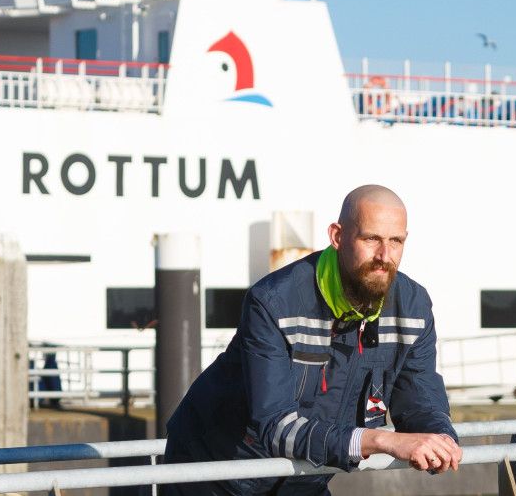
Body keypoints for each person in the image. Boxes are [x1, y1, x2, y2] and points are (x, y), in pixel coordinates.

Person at [163, 185, 461, 495]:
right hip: (214, 473)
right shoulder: (274, 302)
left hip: (303, 475)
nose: (384, 256)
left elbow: (418, 398)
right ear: (337, 236)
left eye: (395, 241)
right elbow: (275, 425)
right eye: (370, 239)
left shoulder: (413, 308)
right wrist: (380, 440)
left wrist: (441, 437)